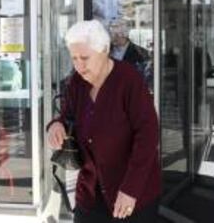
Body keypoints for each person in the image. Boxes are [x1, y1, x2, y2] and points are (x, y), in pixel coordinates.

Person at [47, 20, 160, 223]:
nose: (78, 65)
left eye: (85, 58)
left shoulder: (128, 80)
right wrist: (55, 125)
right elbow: (66, 115)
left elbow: (148, 135)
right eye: (74, 58)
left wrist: (130, 189)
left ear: (104, 50)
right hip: (90, 193)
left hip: (130, 193)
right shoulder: (77, 82)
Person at [108, 19, 152, 89]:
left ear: (122, 35)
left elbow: (144, 79)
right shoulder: (105, 51)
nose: (110, 36)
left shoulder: (141, 53)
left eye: (114, 34)